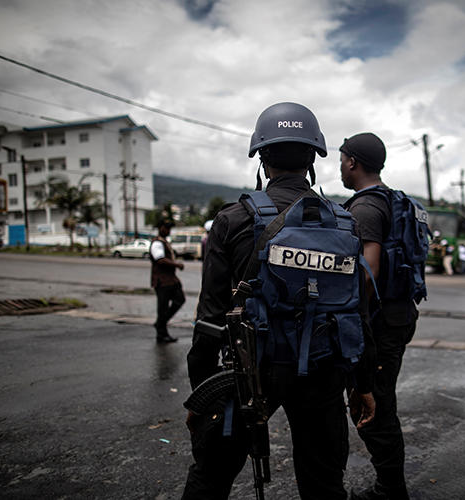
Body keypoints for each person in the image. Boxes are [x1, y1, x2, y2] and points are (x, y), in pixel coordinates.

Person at [182, 102, 375, 500]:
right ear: (312, 159)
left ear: (262, 157)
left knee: (211, 479)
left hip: (248, 372)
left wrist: (202, 392)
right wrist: (362, 383)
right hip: (323, 373)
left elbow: (210, 319)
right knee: (324, 485)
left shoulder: (232, 220)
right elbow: (357, 312)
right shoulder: (344, 223)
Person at [340, 132, 423, 500]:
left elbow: (368, 271)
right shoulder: (393, 200)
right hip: (399, 313)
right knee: (380, 401)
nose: (340, 167)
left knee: (374, 406)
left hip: (378, 322)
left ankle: (391, 490)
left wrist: (353, 321)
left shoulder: (366, 208)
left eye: (342, 159)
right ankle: (392, 487)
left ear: (353, 162)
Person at [150, 219, 185, 343]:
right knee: (163, 307)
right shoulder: (157, 243)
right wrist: (176, 264)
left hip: (170, 280)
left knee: (180, 299)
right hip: (162, 281)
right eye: (166, 228)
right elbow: (160, 259)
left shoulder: (164, 242)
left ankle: (161, 322)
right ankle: (161, 333)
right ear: (160, 228)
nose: (168, 230)